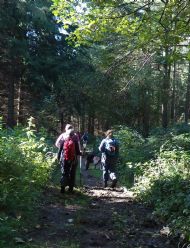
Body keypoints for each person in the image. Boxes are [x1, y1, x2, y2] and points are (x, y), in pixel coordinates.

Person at [55, 124, 81, 193]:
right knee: (72, 173)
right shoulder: (75, 137)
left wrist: (58, 158)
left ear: (66, 130)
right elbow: (78, 151)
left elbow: (59, 149)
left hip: (64, 158)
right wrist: (81, 153)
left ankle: (62, 189)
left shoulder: (63, 137)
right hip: (73, 159)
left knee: (64, 173)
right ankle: (70, 189)